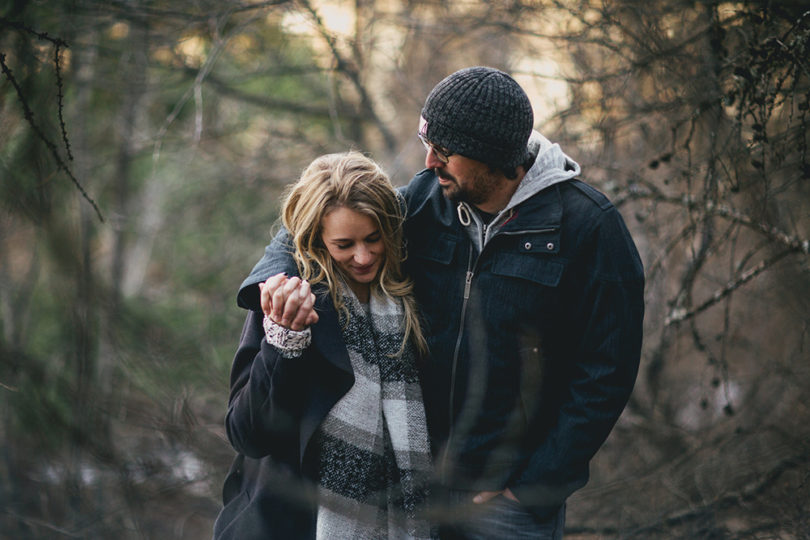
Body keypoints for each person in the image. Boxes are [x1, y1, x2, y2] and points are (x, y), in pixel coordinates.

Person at [240, 66, 645, 539]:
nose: (429, 160)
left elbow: (607, 372)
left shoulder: (586, 227)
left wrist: (537, 483)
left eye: (445, 152)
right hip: (417, 484)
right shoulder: (427, 199)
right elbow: (325, 219)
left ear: (492, 157)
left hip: (506, 502)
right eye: (427, 142)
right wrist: (271, 285)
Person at [213, 152, 434, 540]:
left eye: (373, 238)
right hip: (295, 523)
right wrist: (285, 339)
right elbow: (247, 433)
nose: (363, 257)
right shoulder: (290, 296)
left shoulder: (412, 287)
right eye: (344, 244)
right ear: (317, 238)